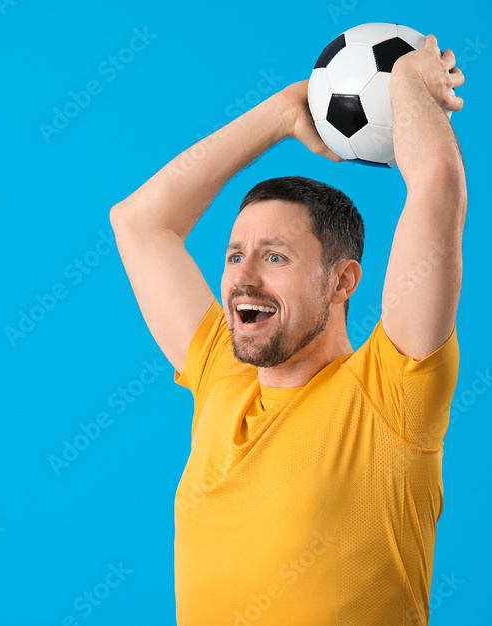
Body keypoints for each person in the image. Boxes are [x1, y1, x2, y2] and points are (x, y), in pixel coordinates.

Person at [109, 34, 466, 625]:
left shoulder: (391, 391)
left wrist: (405, 82)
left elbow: (437, 186)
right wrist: (280, 113)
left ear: (342, 281)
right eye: (233, 255)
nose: (242, 279)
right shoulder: (222, 375)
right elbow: (139, 221)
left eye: (274, 257)